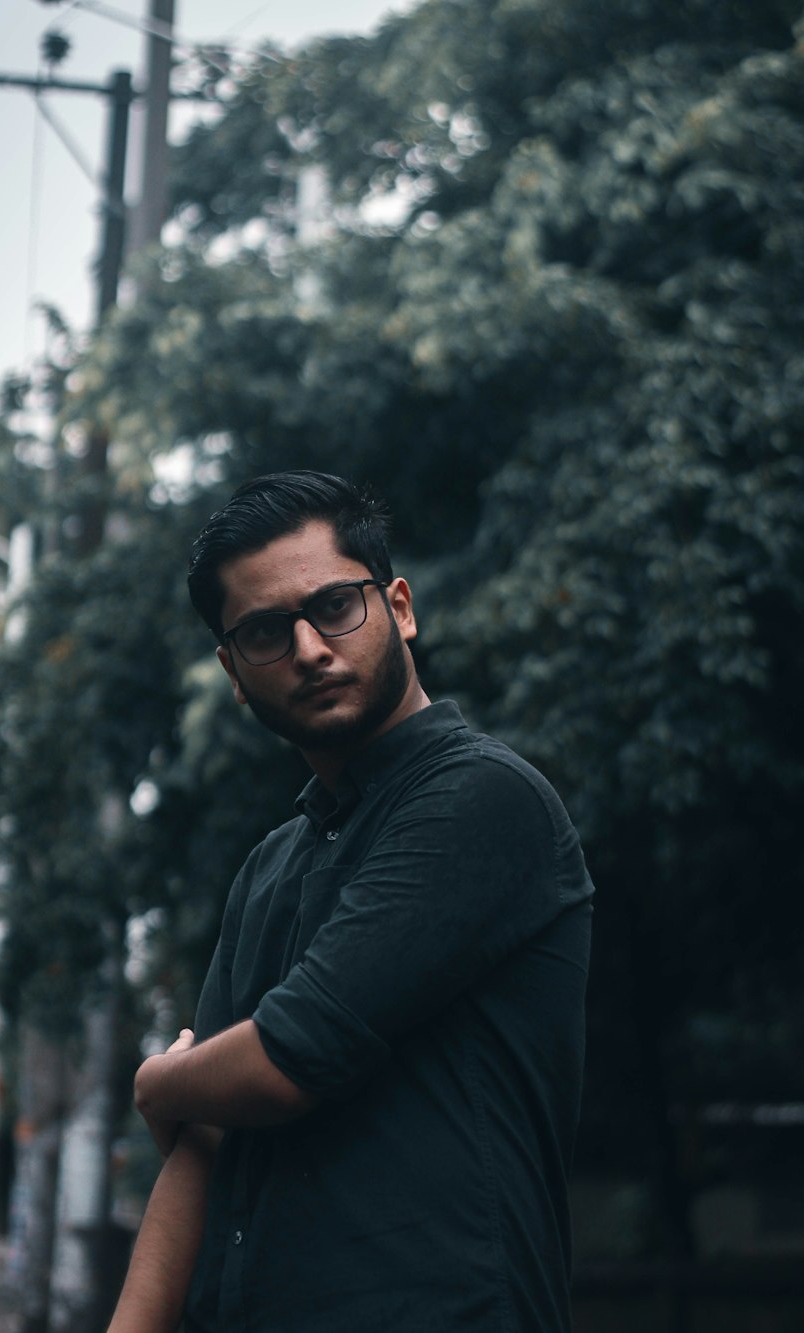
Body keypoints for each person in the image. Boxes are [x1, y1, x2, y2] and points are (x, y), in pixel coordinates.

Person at [108, 471, 594, 1332]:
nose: (307, 648)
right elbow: (202, 1146)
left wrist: (159, 1079)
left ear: (399, 607)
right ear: (231, 670)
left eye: (335, 605)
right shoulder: (267, 869)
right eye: (264, 631)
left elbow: (288, 1060)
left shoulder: (482, 798)